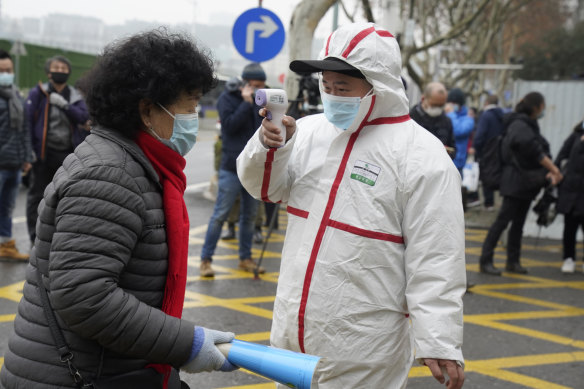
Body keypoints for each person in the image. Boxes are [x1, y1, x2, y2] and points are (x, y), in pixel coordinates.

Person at [0, 30, 237, 389]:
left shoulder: (135, 163)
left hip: (112, 367)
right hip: (77, 376)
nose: (194, 113)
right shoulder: (110, 175)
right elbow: (84, 295)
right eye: (189, 103)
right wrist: (187, 343)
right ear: (147, 109)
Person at [237, 22, 466, 389]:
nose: (331, 95)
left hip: (362, 350)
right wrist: (269, 147)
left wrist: (439, 339)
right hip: (290, 340)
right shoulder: (309, 131)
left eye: (342, 87)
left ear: (380, 84)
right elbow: (264, 188)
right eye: (326, 86)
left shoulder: (422, 156)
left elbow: (437, 255)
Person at [479, 92, 563, 276]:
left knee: (518, 223)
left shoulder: (525, 124)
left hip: (524, 182)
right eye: (542, 106)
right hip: (515, 180)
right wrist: (554, 169)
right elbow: (533, 149)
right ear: (536, 107)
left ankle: (513, 261)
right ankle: (485, 260)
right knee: (502, 221)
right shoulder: (520, 124)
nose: (543, 110)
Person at [199, 62, 266, 277]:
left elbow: (260, 129)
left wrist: (255, 104)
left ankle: (245, 258)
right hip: (231, 166)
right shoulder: (226, 99)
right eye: (255, 85)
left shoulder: (259, 100)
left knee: (249, 217)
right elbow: (229, 126)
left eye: (261, 86)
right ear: (245, 83)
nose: (258, 90)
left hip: (253, 168)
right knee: (220, 215)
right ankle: (205, 260)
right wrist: (246, 103)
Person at [25, 55, 90, 244]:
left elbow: (83, 118)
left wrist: (64, 105)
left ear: (69, 72)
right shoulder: (38, 93)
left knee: (65, 197)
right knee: (36, 197)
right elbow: (28, 122)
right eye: (56, 68)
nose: (60, 71)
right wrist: (30, 149)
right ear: (48, 72)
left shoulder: (74, 96)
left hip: (67, 154)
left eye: (64, 68)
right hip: (43, 154)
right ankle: (34, 239)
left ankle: (58, 240)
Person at [0, 49, 31, 261]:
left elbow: (24, 128)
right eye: (2, 71)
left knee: (7, 208)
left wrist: (27, 156)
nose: (6, 74)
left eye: (9, 70)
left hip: (14, 164)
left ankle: (5, 245)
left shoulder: (16, 96)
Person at [554, 119, 584, 273]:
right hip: (571, 190)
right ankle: (568, 258)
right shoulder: (575, 136)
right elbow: (561, 157)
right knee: (570, 228)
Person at [474, 95, 505, 211]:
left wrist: (478, 149)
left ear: (486, 102)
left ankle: (489, 203)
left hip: (486, 151)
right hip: (500, 150)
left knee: (487, 176)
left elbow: (479, 136)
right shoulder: (502, 115)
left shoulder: (486, 116)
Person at [409, 81, 456, 158]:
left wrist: (448, 153)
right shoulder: (410, 119)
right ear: (423, 99)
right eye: (434, 105)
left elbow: (453, 148)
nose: (438, 108)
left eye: (441, 105)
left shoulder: (447, 121)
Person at [446, 88, 475, 174]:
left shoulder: (468, 119)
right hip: (443, 160)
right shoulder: (445, 115)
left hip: (457, 163)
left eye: (454, 103)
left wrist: (451, 114)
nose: (452, 105)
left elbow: (458, 131)